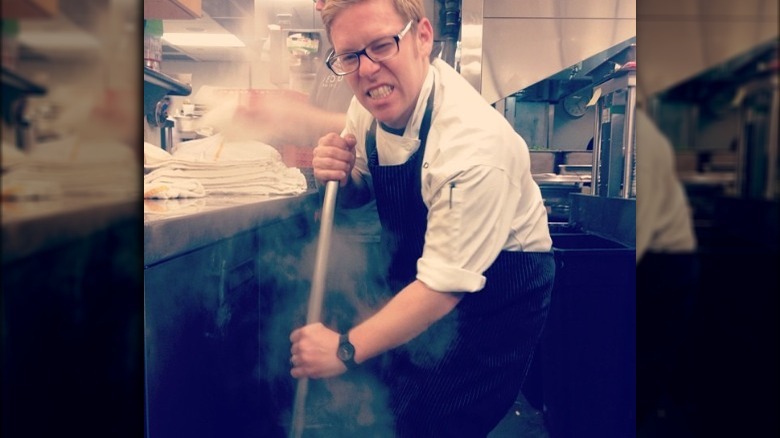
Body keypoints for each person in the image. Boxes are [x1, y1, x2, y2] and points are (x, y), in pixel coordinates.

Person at [289, 0, 556, 436]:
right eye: (351, 56)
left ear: (423, 37)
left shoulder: (473, 145)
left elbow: (442, 288)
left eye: (381, 45)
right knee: (391, 405)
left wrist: (343, 349)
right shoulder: (369, 109)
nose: (368, 70)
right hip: (423, 277)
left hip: (496, 296)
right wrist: (339, 173)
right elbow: (362, 187)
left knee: (435, 421)